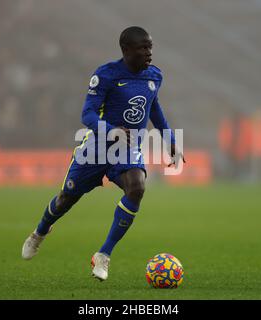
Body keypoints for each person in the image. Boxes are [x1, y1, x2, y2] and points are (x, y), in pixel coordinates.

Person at [22, 26, 184, 281]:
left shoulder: (154, 76)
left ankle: (104, 254)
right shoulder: (106, 75)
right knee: (66, 199)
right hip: (95, 150)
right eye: (143, 48)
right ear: (126, 50)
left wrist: (170, 139)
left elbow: (154, 107)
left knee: (137, 188)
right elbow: (87, 114)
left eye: (150, 47)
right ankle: (40, 232)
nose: (149, 53)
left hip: (128, 150)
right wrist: (111, 131)